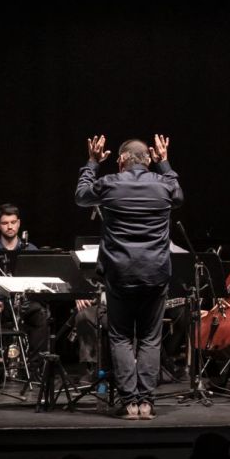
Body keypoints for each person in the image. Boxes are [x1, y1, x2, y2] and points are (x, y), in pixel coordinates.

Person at [75, 134, 183, 420]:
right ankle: (146, 403)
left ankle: (129, 404)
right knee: (149, 338)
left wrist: (93, 162)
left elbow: (81, 195)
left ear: (120, 160)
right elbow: (179, 195)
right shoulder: (163, 185)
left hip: (120, 274)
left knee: (121, 336)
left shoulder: (110, 183)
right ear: (149, 160)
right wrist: (165, 163)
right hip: (155, 274)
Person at [0, 203, 48, 382]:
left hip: (24, 301)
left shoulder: (30, 249)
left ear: (19, 223)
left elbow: (39, 279)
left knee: (40, 314)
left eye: (13, 222)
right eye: (5, 223)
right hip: (0, 301)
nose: (10, 226)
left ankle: (35, 368)